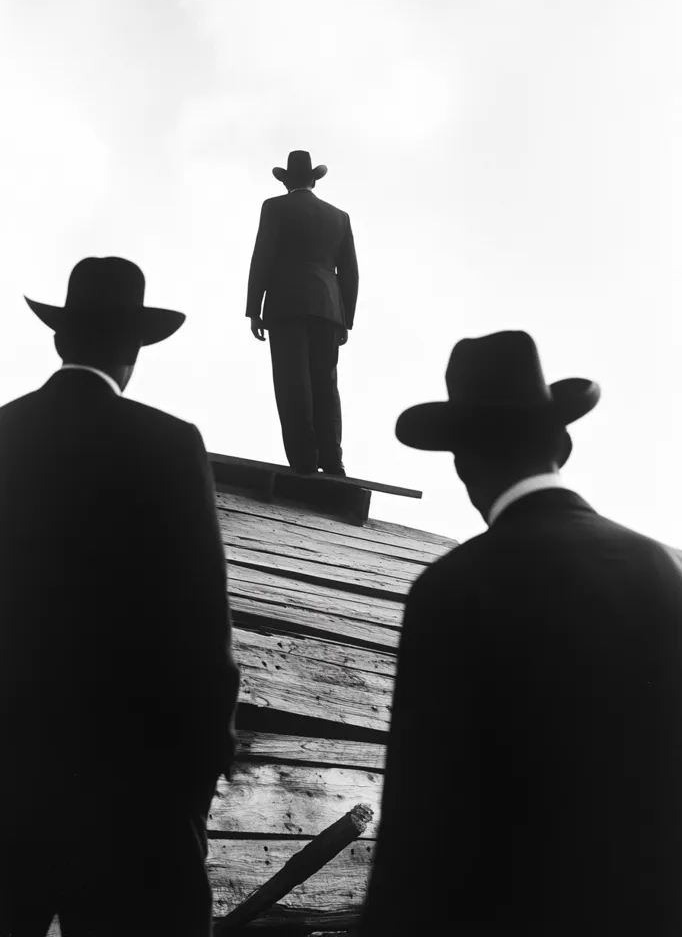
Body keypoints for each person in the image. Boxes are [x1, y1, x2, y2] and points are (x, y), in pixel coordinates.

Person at [359, 331, 682, 935]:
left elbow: (421, 833)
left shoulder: (451, 590)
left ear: (461, 463)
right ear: (562, 442)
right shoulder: (667, 569)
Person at [0, 257, 240, 937]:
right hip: (133, 804)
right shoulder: (168, 445)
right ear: (134, 351)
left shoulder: (1, 435)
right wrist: (196, 781)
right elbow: (202, 626)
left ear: (58, 339)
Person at [245, 150, 359, 476]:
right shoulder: (339, 216)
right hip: (328, 308)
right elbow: (349, 272)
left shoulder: (274, 207)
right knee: (326, 383)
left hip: (285, 305)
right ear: (313, 180)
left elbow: (262, 256)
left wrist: (254, 308)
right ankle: (333, 460)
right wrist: (345, 318)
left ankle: (305, 462)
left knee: (292, 382)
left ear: (286, 182)